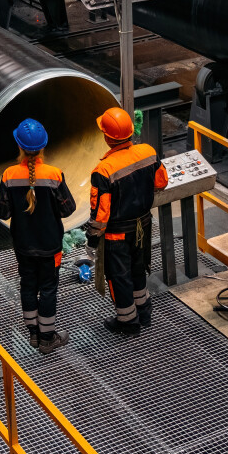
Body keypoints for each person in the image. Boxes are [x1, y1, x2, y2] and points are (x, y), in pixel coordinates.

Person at [0, 119, 77, 354]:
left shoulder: (9, 175)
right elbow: (68, 209)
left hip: (23, 245)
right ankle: (48, 338)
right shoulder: (54, 174)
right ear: (43, 148)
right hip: (50, 245)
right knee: (49, 287)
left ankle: (33, 333)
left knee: (28, 285)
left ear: (19, 147)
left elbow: (2, 212)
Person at [86, 107, 168, 335]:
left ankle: (128, 322)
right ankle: (144, 313)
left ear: (107, 137)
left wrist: (92, 240)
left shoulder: (103, 170)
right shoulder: (148, 152)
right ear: (131, 132)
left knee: (119, 277)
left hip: (117, 236)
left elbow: (101, 214)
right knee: (138, 268)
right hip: (143, 226)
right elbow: (161, 183)